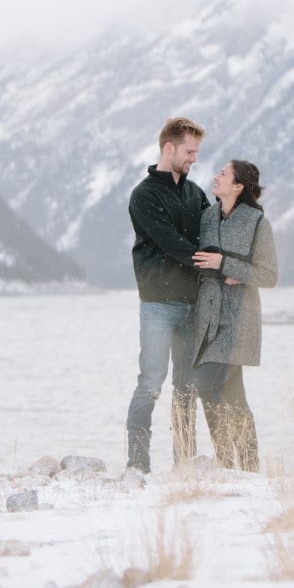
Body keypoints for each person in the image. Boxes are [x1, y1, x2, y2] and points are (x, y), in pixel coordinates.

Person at [125, 116, 210, 474]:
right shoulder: (144, 195)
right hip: (158, 306)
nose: (194, 159)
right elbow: (171, 244)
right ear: (169, 148)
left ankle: (185, 463)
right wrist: (212, 264)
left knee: (187, 388)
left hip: (191, 305)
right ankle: (138, 465)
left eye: (197, 152)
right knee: (151, 385)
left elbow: (213, 229)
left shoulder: (195, 193)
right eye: (190, 151)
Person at [190, 159, 277, 472]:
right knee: (233, 396)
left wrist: (226, 264)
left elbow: (269, 276)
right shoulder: (207, 217)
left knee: (208, 385)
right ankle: (249, 470)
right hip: (208, 318)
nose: (216, 177)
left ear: (238, 186)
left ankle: (227, 466)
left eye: (223, 174)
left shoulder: (257, 222)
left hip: (239, 320)